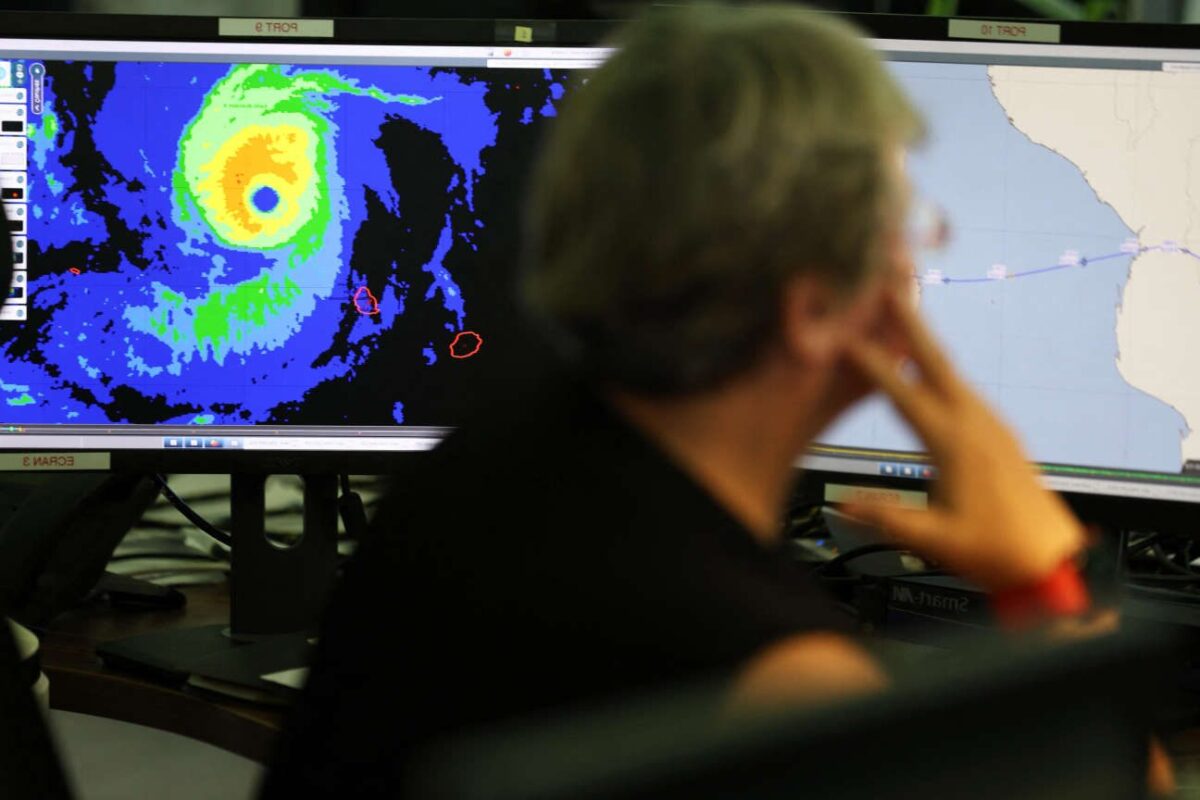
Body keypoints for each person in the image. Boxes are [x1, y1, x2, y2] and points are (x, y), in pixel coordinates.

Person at [261, 5, 1166, 796]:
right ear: (811, 307)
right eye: (904, 223)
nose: (917, 256)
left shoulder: (477, 476)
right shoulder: (783, 685)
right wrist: (1043, 577)